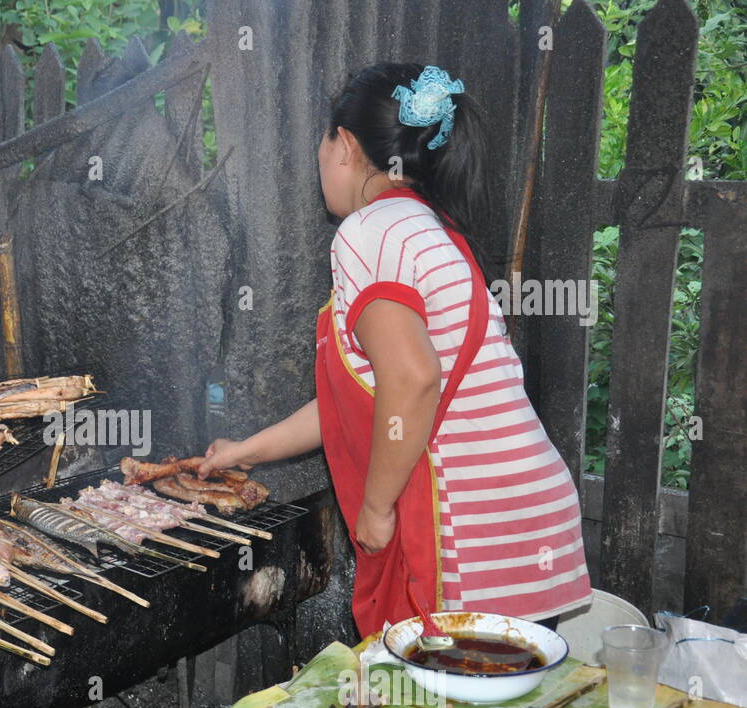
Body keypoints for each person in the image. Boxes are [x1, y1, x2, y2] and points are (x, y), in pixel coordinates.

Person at [199, 63, 591, 638]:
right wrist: (246, 451)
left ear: (346, 146)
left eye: (324, 138)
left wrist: (377, 508)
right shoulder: (423, 227)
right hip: (528, 519)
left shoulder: (367, 234)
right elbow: (367, 396)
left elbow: (413, 378)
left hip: (469, 532)